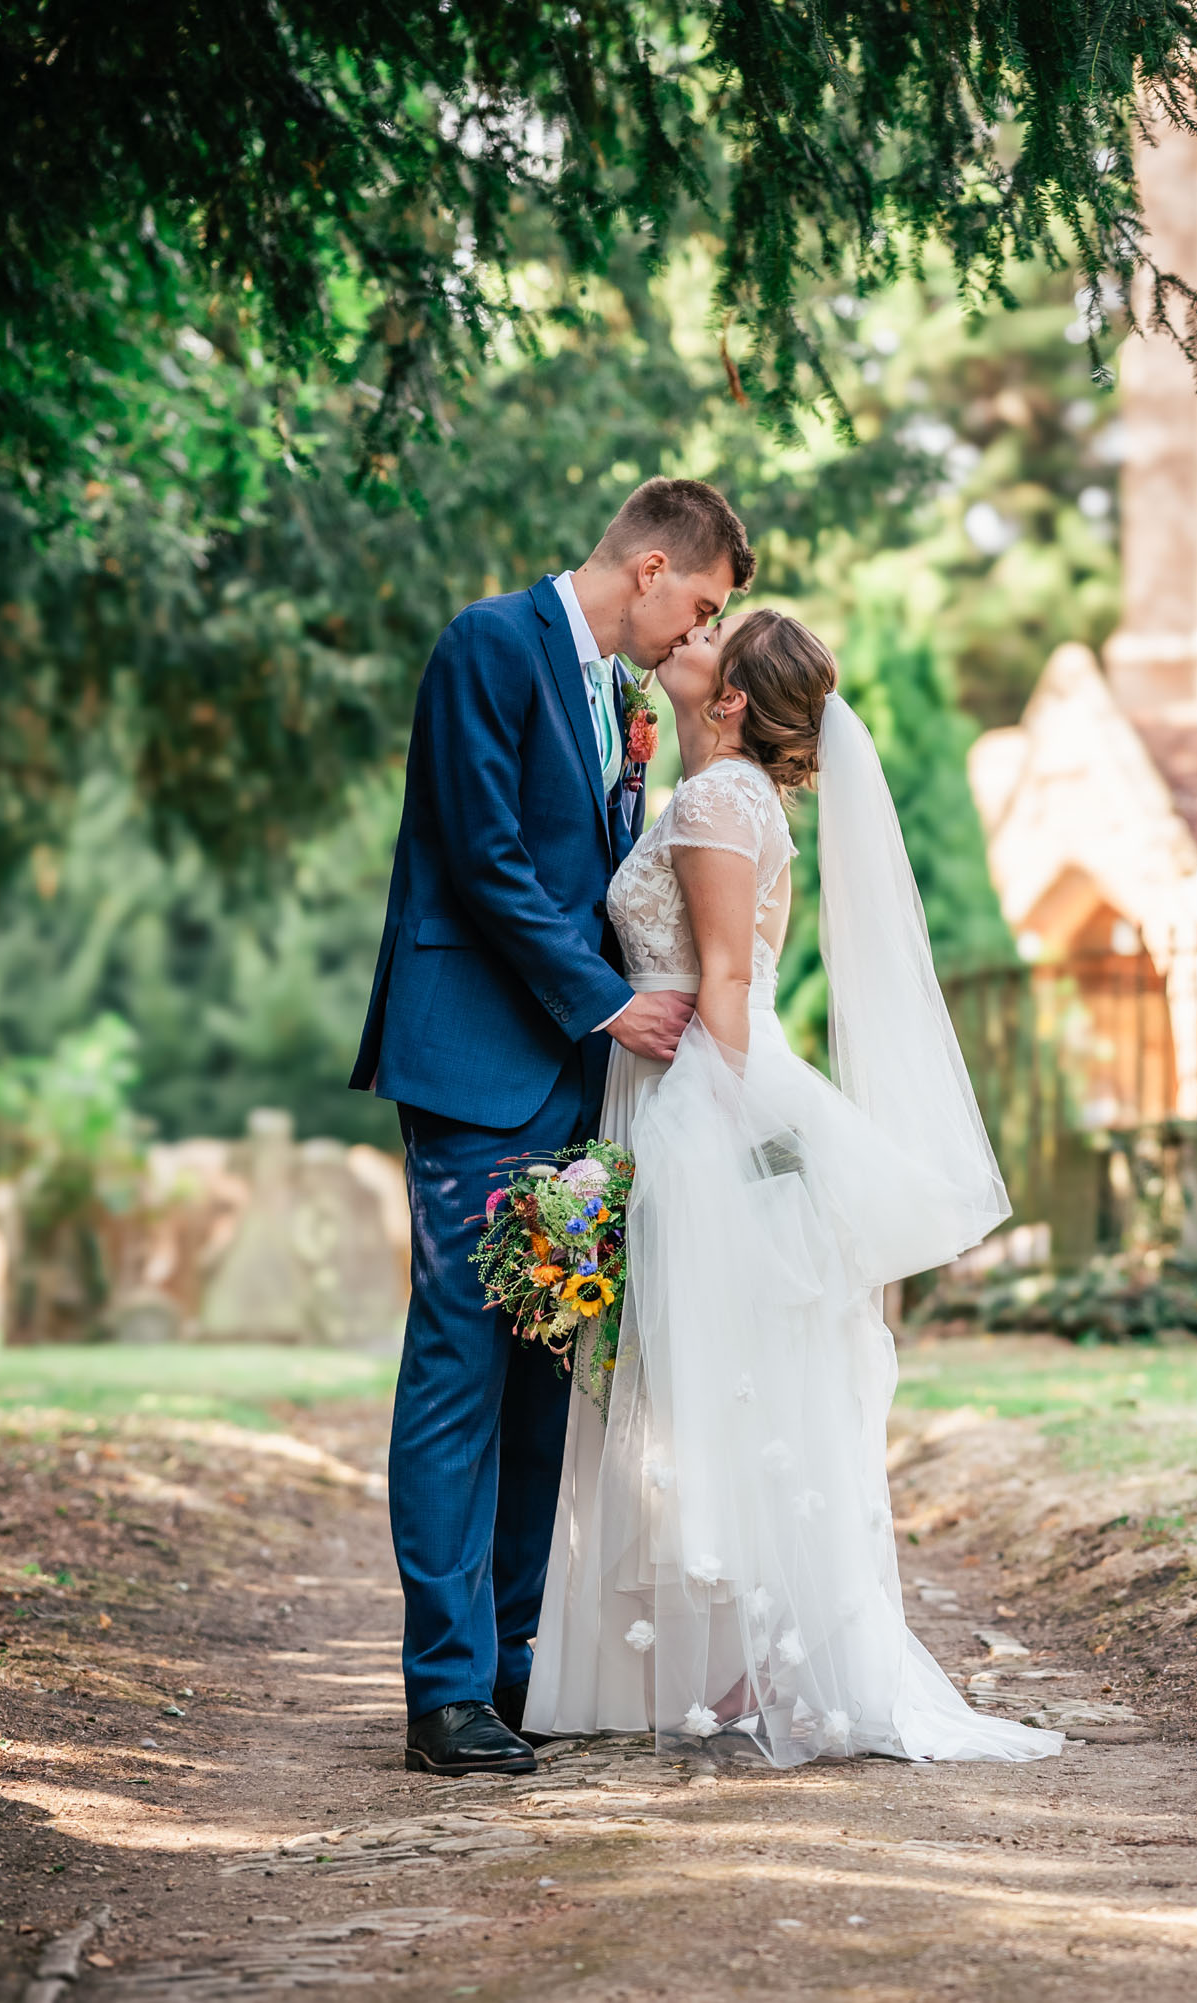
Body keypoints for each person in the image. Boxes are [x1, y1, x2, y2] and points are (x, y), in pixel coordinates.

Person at [522, 608, 1064, 1767]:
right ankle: (742, 1655)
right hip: (692, 1083)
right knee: (727, 1386)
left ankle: (751, 1657)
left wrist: (695, 1134)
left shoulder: (723, 800)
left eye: (715, 633)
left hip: (703, 1095)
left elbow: (723, 982)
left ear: (731, 701)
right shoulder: (718, 790)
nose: (691, 631)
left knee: (714, 1385)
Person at [351, 479, 749, 1776]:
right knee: (460, 1369)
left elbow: (594, 869)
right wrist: (607, 1003)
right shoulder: (488, 643)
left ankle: (514, 1668)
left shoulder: (617, 697)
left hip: (573, 1086)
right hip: (476, 1065)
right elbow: (481, 856)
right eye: (696, 604)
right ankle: (444, 1688)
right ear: (646, 565)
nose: (696, 634)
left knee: (540, 1389)